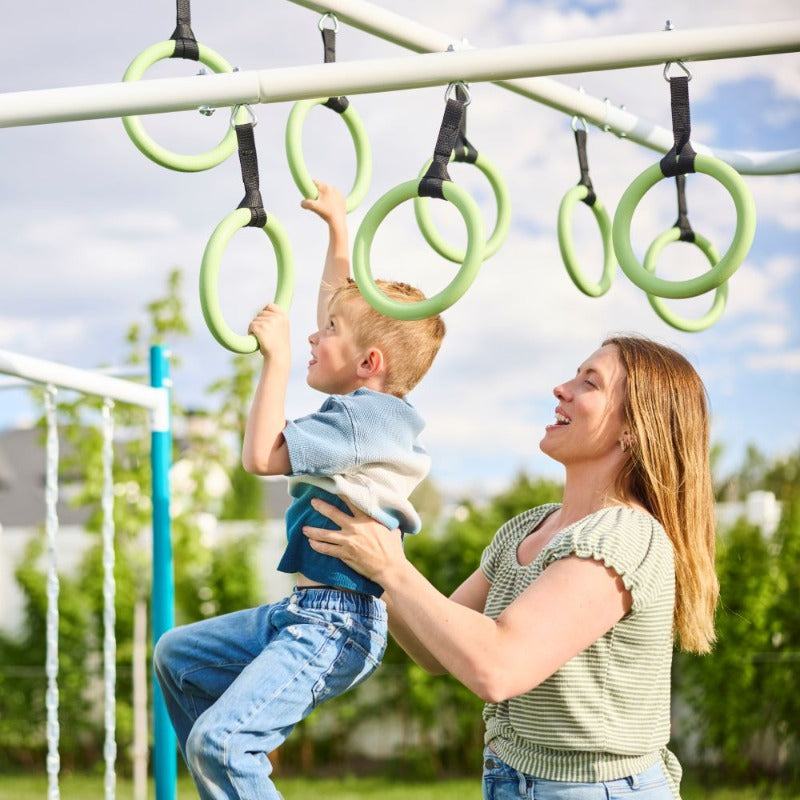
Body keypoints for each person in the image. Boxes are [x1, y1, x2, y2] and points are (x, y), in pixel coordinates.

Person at [303, 335, 719, 800]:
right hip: (511, 779)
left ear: (633, 430)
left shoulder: (624, 536)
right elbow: (433, 650)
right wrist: (371, 559)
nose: (561, 389)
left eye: (590, 382)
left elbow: (498, 668)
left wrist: (393, 569)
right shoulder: (528, 527)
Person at [153, 181, 446, 800]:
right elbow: (338, 307)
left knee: (220, 742)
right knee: (178, 655)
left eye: (329, 331)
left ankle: (236, 757)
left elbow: (260, 456)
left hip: (337, 624)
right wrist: (338, 229)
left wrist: (276, 361)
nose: (315, 334)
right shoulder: (366, 410)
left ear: (368, 362)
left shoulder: (362, 421)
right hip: (300, 615)